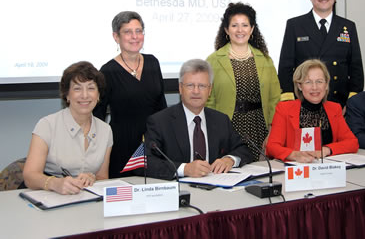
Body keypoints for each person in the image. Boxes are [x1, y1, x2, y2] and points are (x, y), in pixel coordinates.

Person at [144, 59, 252, 180]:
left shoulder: (221, 120)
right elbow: (145, 162)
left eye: (202, 86)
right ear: (180, 88)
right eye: (190, 85)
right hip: (179, 190)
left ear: (210, 90)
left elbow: (243, 149)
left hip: (217, 188)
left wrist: (230, 160)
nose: (196, 91)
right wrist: (185, 169)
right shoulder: (160, 121)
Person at [94, 11, 167, 178]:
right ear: (116, 37)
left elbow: (161, 105)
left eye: (139, 31)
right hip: (121, 146)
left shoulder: (152, 62)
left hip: (153, 143)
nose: (135, 37)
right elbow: (98, 116)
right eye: (127, 32)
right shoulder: (107, 71)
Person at [23, 62, 112, 195]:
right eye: (77, 89)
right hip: (48, 196)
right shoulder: (47, 125)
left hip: (85, 198)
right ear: (67, 95)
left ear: (98, 95)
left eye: (91, 88)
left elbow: (103, 177)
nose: (85, 95)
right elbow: (30, 176)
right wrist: (55, 183)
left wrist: (92, 178)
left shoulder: (106, 130)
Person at [206, 2, 280, 161]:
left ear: (252, 29)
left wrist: (273, 133)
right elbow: (209, 101)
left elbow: (275, 99)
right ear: (226, 29)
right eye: (234, 25)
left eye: (245, 25)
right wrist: (214, 133)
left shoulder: (265, 60)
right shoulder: (213, 61)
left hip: (260, 128)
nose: (240, 30)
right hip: (229, 129)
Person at [278, 0, 364, 107]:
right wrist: (290, 99)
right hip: (303, 102)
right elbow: (286, 66)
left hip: (340, 104)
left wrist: (352, 102)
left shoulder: (348, 27)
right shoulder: (295, 25)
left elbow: (355, 68)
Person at [266, 59, 359, 162]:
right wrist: (294, 155)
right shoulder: (284, 109)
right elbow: (271, 147)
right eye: (308, 82)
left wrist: (327, 150)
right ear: (299, 86)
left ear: (326, 84)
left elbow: (352, 143)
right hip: (296, 170)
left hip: (328, 169)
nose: (314, 87)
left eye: (319, 81)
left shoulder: (334, 108)